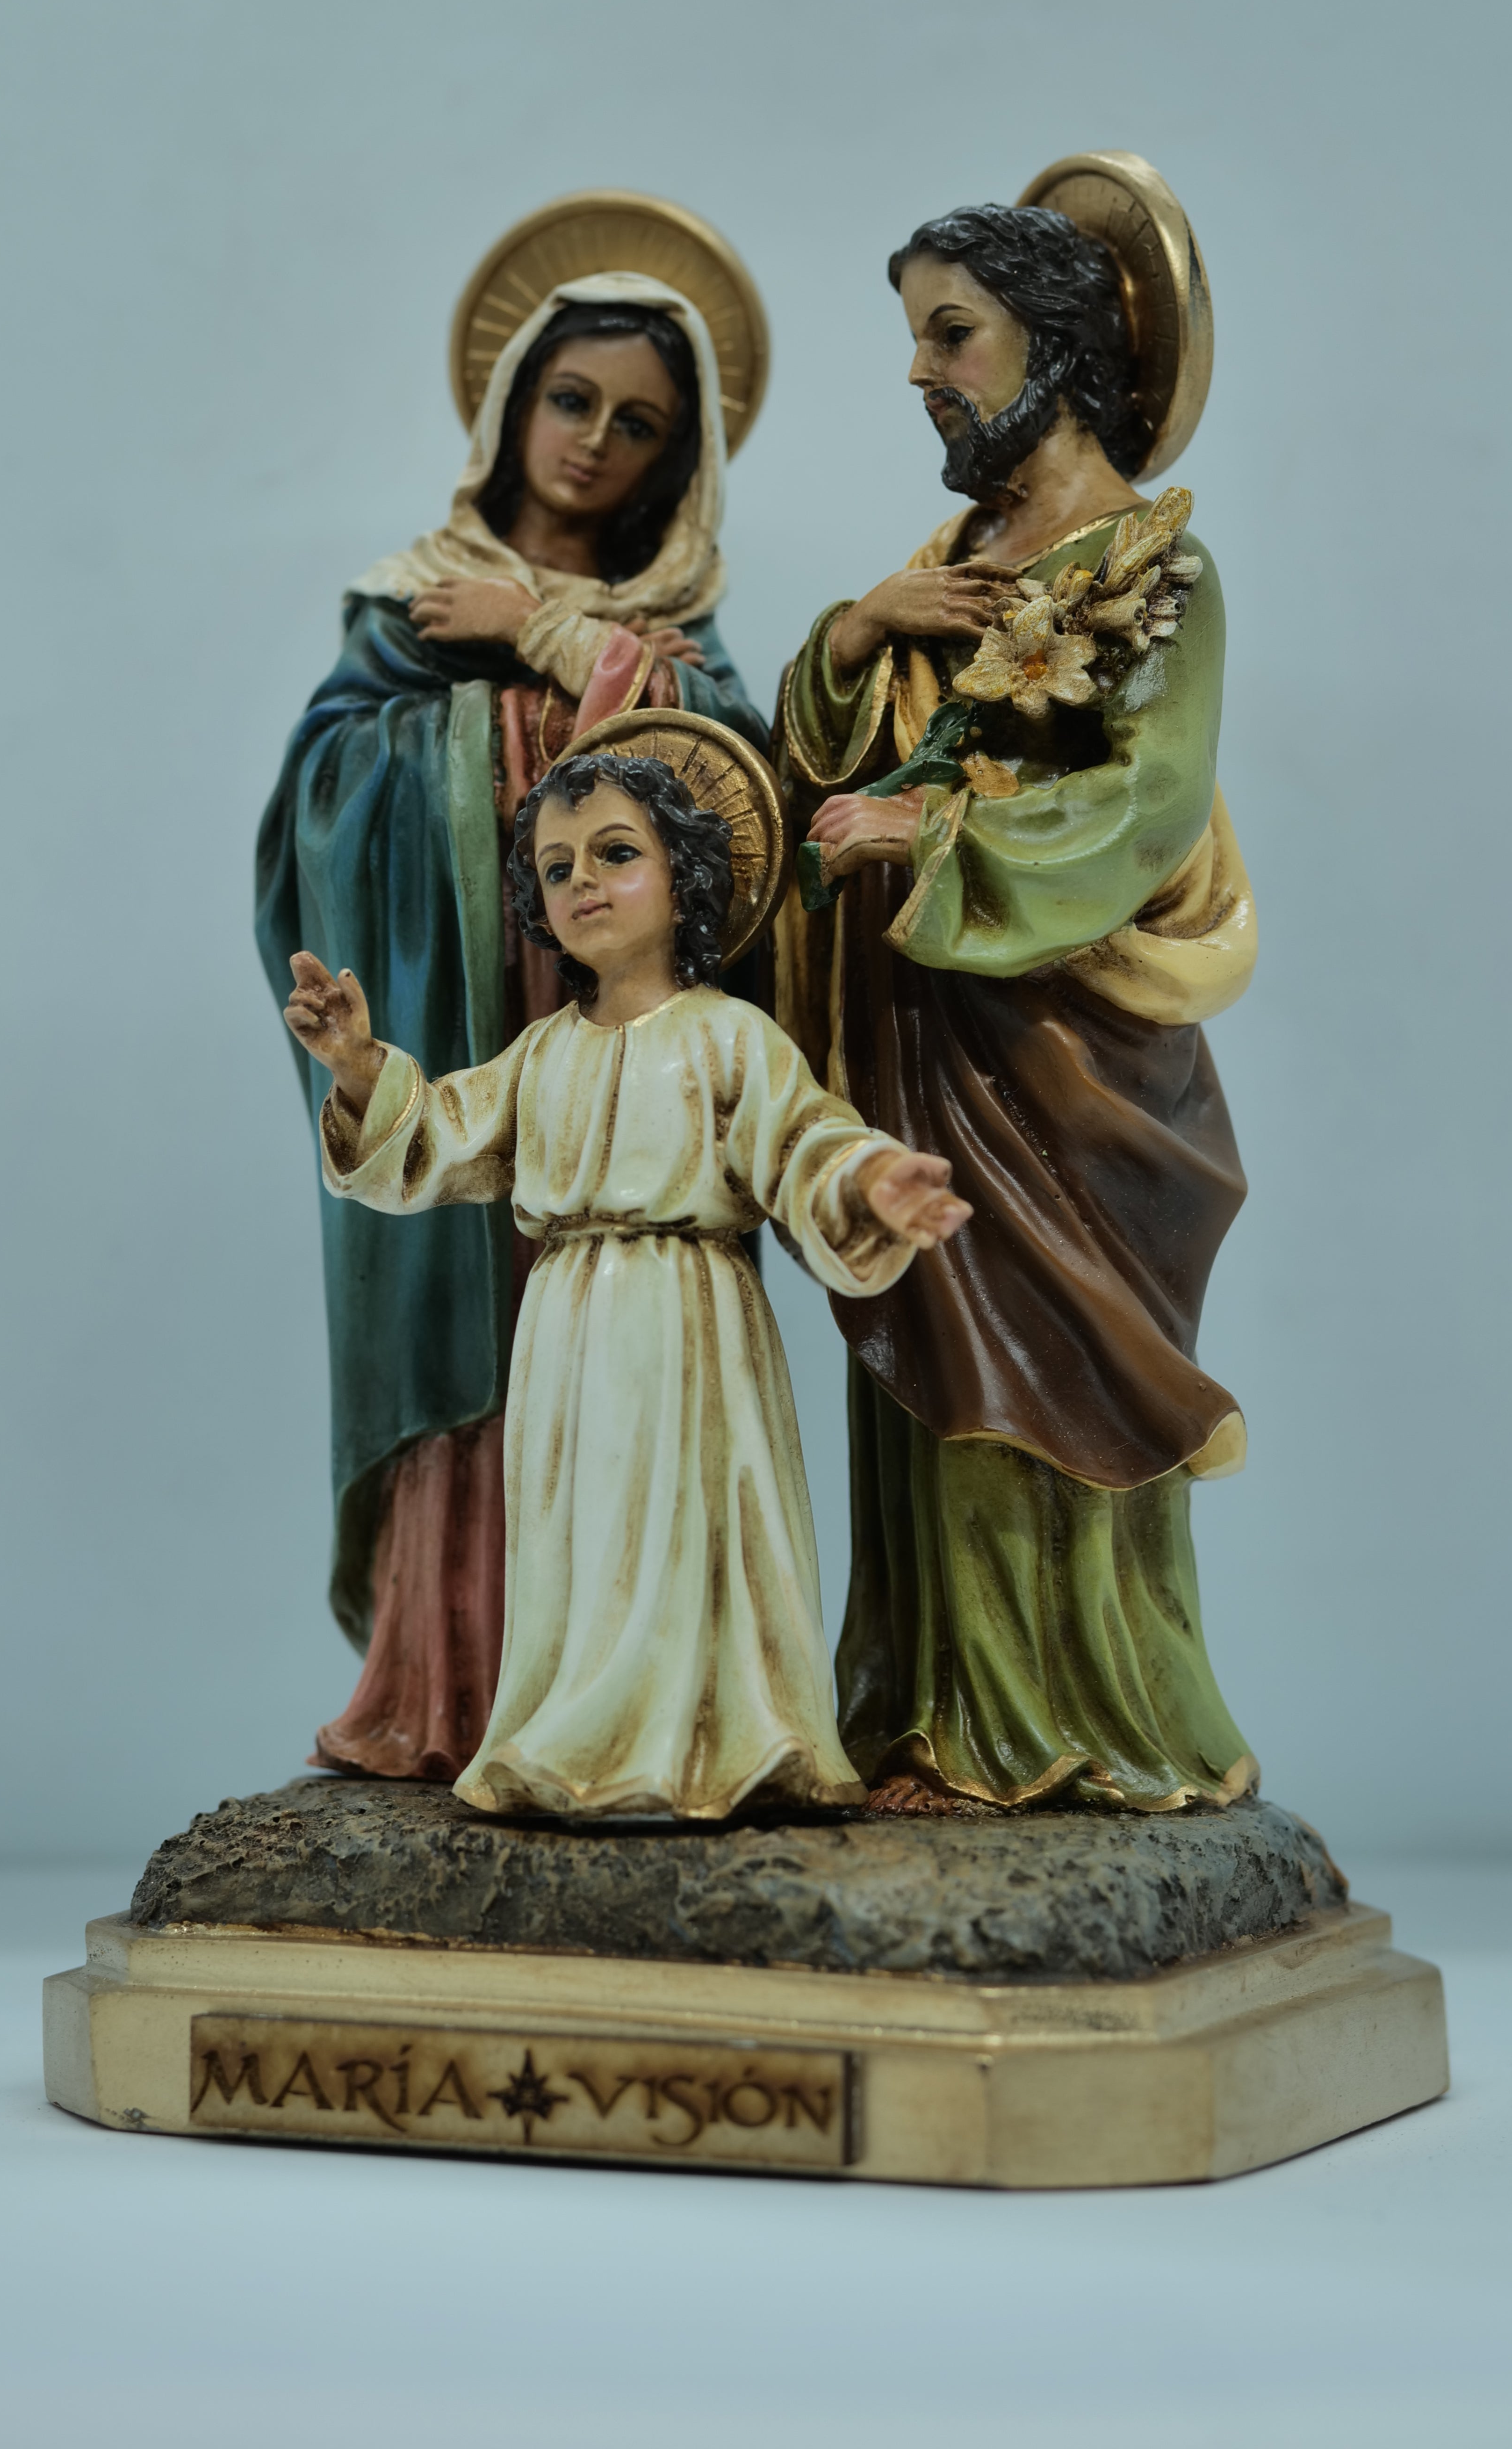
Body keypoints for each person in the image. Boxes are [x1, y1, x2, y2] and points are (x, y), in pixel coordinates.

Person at [257, 201, 771, 1783]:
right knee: (466, 1323)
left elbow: (732, 775)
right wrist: (491, 728)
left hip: (622, 1054)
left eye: (638, 425)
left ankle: (631, 1716)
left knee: (630, 1361)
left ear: (677, 462)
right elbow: (317, 809)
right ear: (511, 405)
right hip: (462, 1015)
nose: (593, 443)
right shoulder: (413, 601)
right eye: (571, 400)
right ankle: (450, 1690)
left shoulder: (669, 633)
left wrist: (549, 638)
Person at [773, 156, 1260, 1815]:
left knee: (1050, 1373)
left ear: (1055, 345)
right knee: (932, 1364)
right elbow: (832, 770)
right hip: (924, 1037)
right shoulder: (952, 556)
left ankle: (1083, 1725)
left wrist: (929, 835)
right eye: (916, 337)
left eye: (950, 334)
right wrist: (855, 636)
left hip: (1067, 1059)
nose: (919, 370)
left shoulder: (1158, 569)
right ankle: (932, 1714)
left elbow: (1147, 808)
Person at [282, 735, 969, 1821]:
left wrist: (873, 1182)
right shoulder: (542, 1052)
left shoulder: (730, 1038)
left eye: (614, 854)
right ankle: (575, 1743)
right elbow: (437, 1140)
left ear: (683, 873)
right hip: (565, 1335)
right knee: (582, 1540)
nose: (583, 884)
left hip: (689, 1321)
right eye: (556, 869)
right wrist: (362, 1070)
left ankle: (719, 1741)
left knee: (688, 1533)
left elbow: (802, 1141)